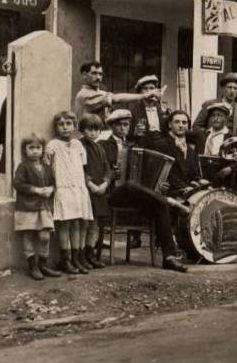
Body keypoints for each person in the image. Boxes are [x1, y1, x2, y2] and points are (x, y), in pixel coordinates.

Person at [101, 109, 189, 273]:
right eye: (119, 125)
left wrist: (161, 186)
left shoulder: (134, 145)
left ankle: (169, 258)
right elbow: (99, 171)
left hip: (136, 195)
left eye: (126, 124)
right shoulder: (103, 146)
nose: (122, 128)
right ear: (111, 126)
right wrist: (110, 175)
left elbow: (149, 174)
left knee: (159, 206)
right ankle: (170, 201)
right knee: (129, 185)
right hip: (113, 194)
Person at [44, 111, 94, 275]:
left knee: (79, 224)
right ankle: (65, 260)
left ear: (74, 126)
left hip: (78, 189)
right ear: (56, 127)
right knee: (64, 225)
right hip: (63, 188)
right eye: (61, 124)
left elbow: (83, 167)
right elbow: (47, 169)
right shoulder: (52, 145)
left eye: (68, 124)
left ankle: (77, 258)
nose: (65, 127)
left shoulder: (79, 146)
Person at [12, 134, 61, 281]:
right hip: (27, 207)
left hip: (44, 207)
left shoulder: (46, 167)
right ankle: (32, 267)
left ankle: (43, 266)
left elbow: (53, 182)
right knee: (28, 235)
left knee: (44, 236)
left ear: (43, 149)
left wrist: (51, 189)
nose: (35, 151)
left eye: (38, 147)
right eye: (31, 148)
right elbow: (18, 185)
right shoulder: (23, 167)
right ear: (25, 150)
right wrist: (36, 190)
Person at [73, 61, 159, 122]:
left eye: (100, 74)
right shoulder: (84, 95)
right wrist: (145, 95)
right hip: (89, 138)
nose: (98, 77)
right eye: (94, 73)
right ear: (84, 75)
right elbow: (116, 98)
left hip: (101, 136)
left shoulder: (101, 93)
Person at [79, 113, 111, 269]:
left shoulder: (100, 148)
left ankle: (90, 254)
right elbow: (79, 169)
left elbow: (107, 168)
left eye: (96, 130)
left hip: (100, 191)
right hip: (86, 190)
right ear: (82, 130)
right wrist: (90, 184)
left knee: (96, 225)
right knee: (85, 223)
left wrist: (105, 183)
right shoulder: (79, 146)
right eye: (89, 129)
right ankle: (81, 256)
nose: (93, 133)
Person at [153, 110, 204, 197]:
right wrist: (185, 187)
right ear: (170, 124)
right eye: (177, 122)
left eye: (184, 123)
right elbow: (165, 173)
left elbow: (193, 172)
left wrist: (199, 181)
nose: (181, 125)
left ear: (188, 126)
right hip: (169, 193)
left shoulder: (190, 149)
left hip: (188, 192)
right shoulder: (160, 145)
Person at [127, 74, 172, 148]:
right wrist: (134, 133)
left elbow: (169, 129)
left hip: (162, 146)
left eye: (152, 88)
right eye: (145, 89)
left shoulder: (162, 108)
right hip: (144, 146)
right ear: (140, 93)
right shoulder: (133, 110)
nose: (149, 92)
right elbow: (127, 135)